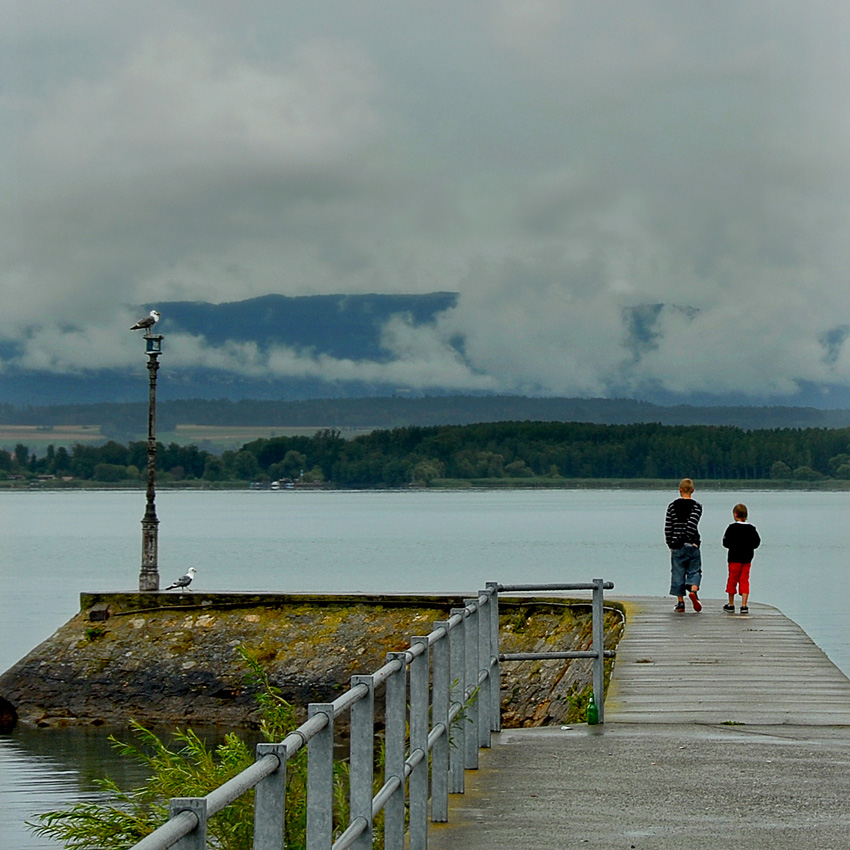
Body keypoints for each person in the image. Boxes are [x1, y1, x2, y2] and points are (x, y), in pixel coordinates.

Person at [665, 478, 703, 613]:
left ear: (680, 490)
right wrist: (691, 539)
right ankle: (693, 590)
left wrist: (671, 542)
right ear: (692, 491)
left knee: (677, 572)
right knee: (695, 570)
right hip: (692, 544)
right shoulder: (697, 506)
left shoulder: (671, 506)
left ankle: (680, 603)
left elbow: (668, 526)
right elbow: (692, 524)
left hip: (676, 545)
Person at [722, 503, 761, 614]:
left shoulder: (731, 528)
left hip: (734, 558)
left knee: (732, 579)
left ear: (735, 515)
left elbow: (725, 543)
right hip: (747, 559)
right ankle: (744, 605)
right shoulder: (752, 529)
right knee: (744, 580)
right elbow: (756, 543)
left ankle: (731, 604)